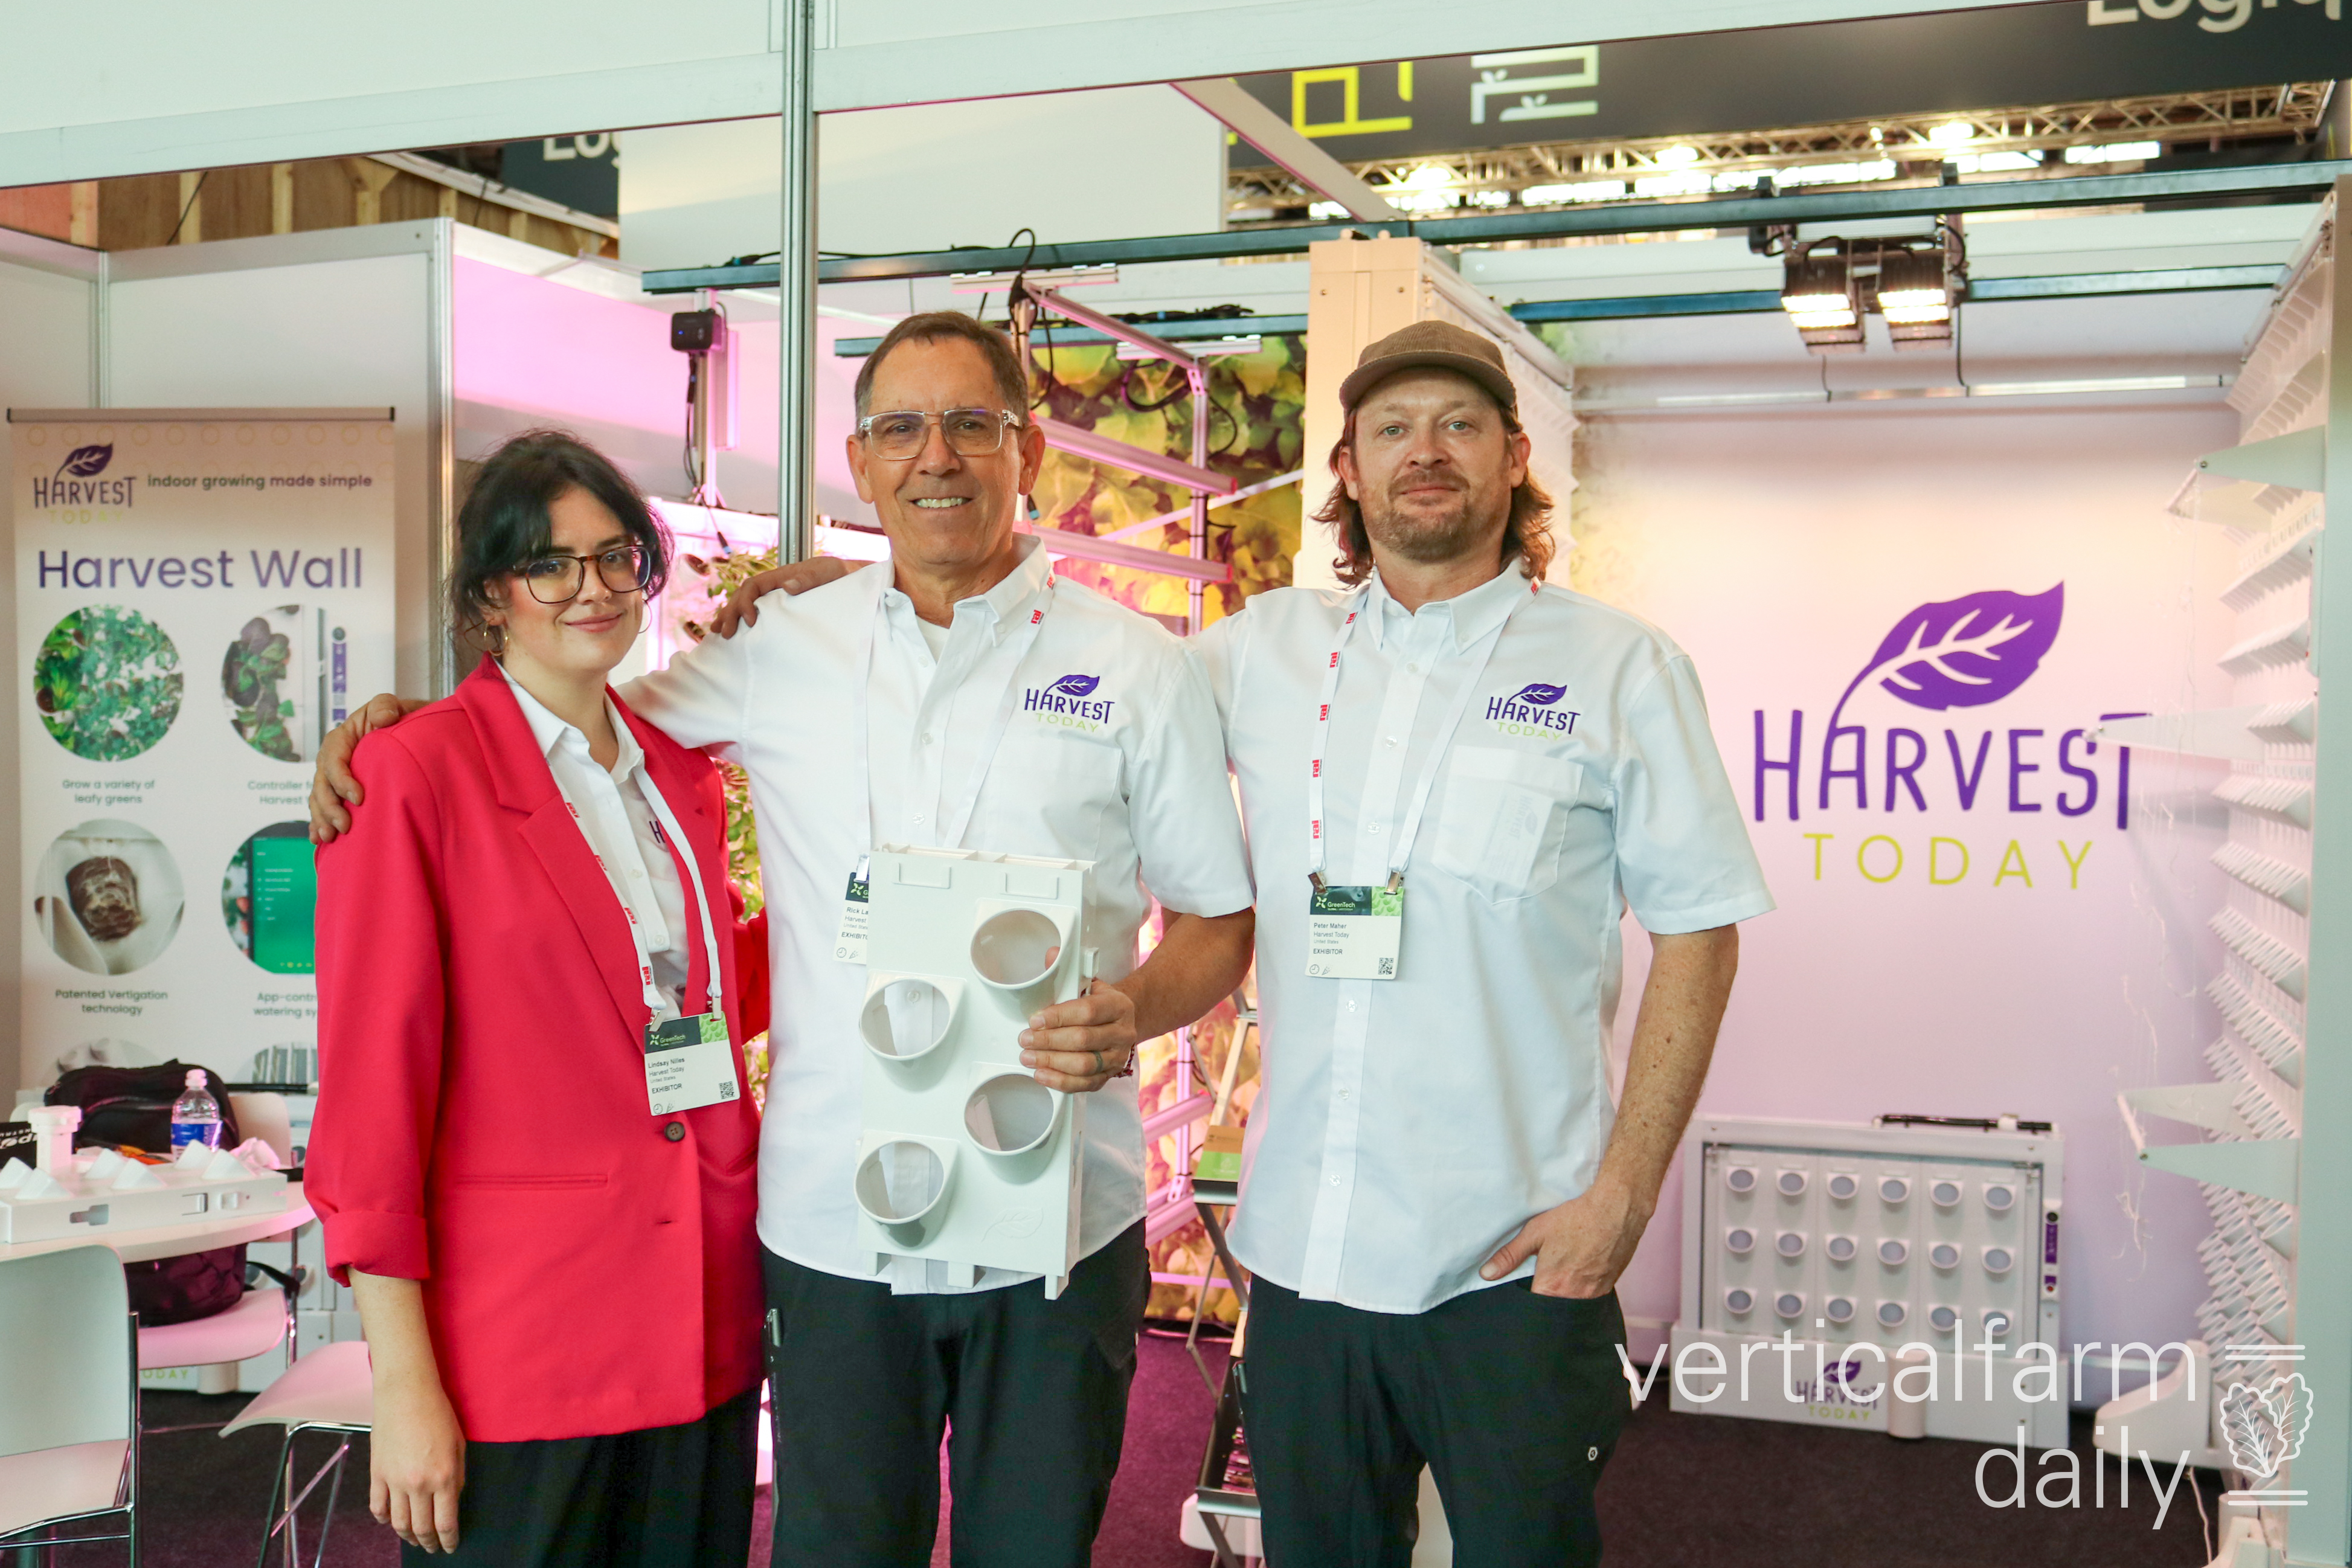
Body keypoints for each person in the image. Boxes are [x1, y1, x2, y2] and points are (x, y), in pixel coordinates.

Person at [310, 313, 1257, 1567]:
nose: (937, 456)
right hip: (828, 1230)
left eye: (971, 424)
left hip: (1057, 1221)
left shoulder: (1139, 667)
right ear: (860, 463)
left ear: (1027, 449)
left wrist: (1130, 1010)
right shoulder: (780, 649)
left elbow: (1219, 921)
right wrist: (397, 731)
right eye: (901, 428)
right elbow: (560, 722)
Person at [1194, 320, 1773, 1566]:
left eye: (1459, 425)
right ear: (1348, 468)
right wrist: (851, 593)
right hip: (1305, 1260)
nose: (1426, 451)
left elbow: (1700, 932)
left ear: (1515, 457)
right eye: (1393, 428)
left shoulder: (1620, 667)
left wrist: (1623, 1196)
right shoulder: (1256, 653)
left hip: (1513, 1264)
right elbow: (1081, 693)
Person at [306, 431, 769, 1564]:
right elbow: (373, 1101)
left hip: (702, 1320)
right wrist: (402, 1384)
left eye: (614, 557)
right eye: (549, 565)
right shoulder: (413, 773)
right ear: (489, 598)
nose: (591, 589)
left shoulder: (679, 773)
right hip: (525, 1343)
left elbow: (704, 992)